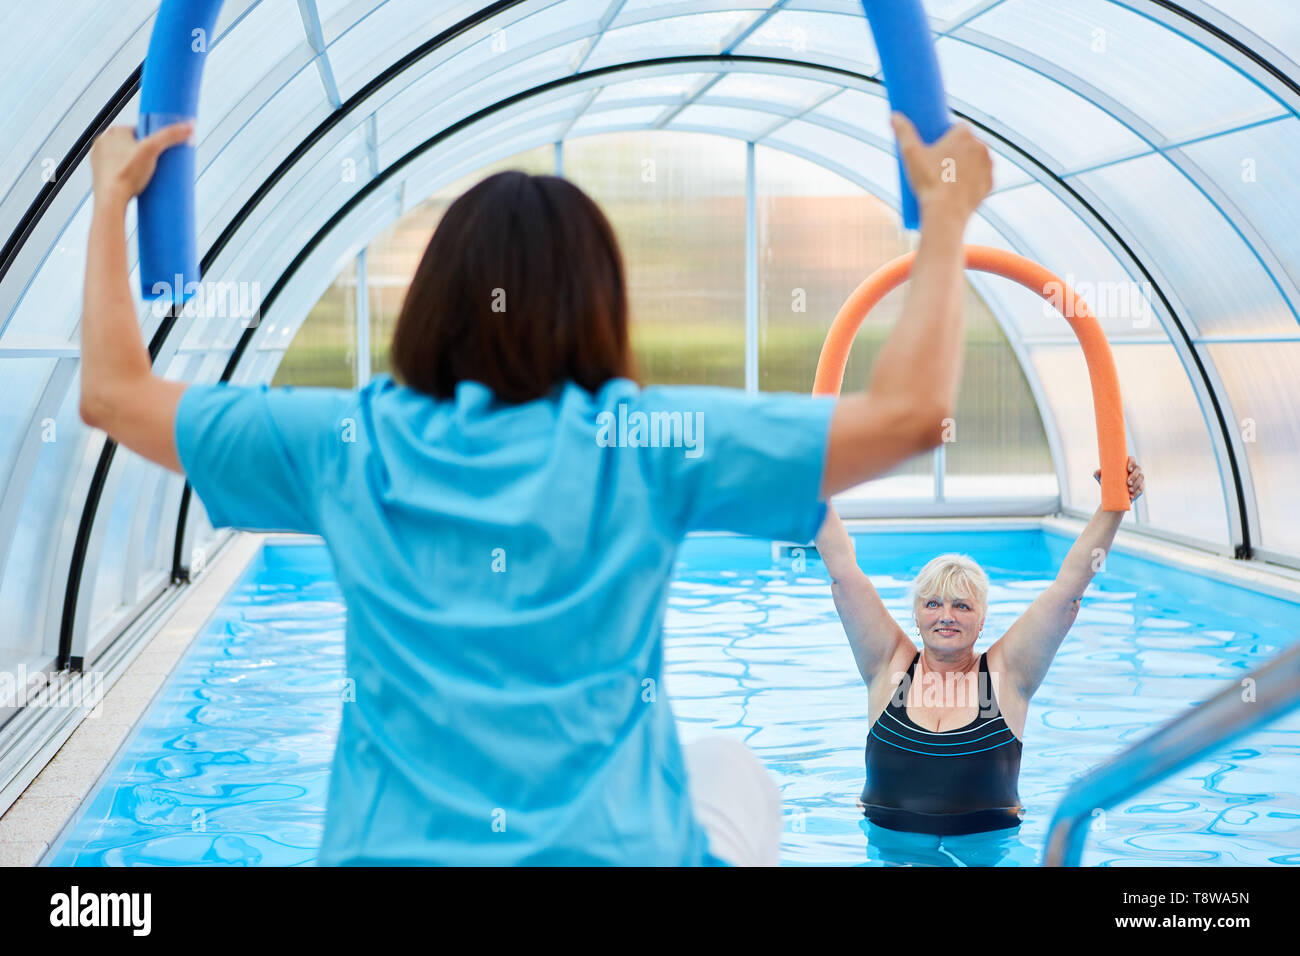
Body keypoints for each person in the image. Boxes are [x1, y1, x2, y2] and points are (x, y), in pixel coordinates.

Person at [77, 113, 991, 865]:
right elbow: (910, 416)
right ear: (600, 302)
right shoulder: (647, 442)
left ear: (435, 297)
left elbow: (113, 396)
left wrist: (109, 197)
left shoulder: (347, 443)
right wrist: (945, 217)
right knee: (731, 770)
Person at [815, 459, 1145, 852]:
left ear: (983, 620)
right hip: (887, 849)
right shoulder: (889, 665)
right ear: (916, 617)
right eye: (934, 604)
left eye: (963, 606)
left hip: (988, 852)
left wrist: (1112, 506)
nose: (947, 616)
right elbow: (843, 573)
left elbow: (1067, 593)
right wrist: (812, 483)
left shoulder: (1007, 674)